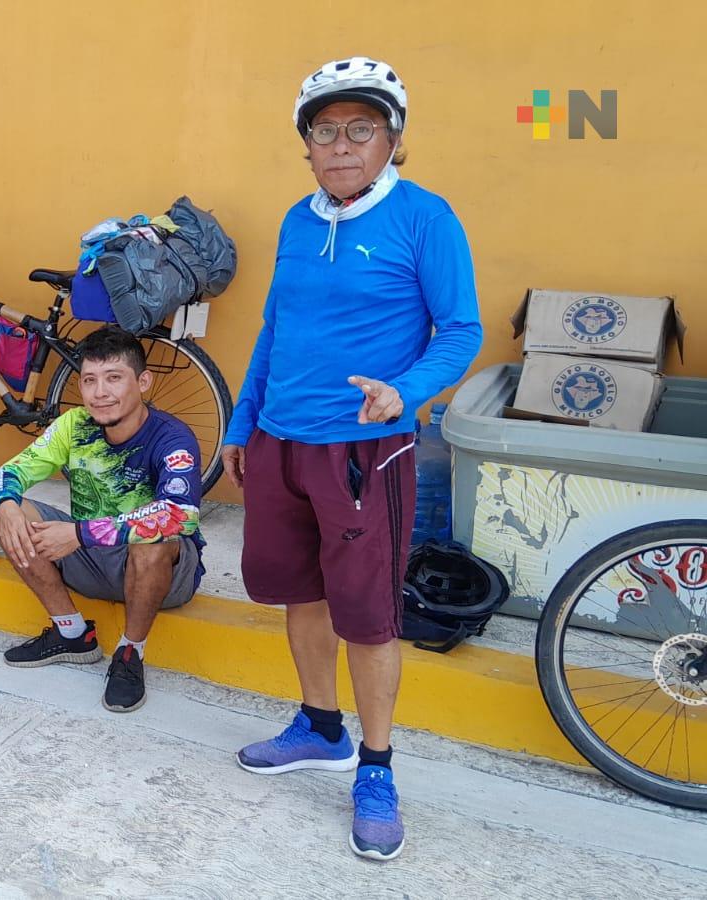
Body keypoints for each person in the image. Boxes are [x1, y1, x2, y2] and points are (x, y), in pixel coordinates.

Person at [219, 56, 483, 861]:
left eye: (360, 129)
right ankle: (319, 726)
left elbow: (462, 331)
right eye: (325, 131)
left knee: (367, 614)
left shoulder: (426, 219)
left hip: (367, 447)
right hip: (281, 443)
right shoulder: (298, 221)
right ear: (307, 147)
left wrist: (403, 392)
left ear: (393, 141)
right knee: (300, 590)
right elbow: (274, 327)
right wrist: (241, 423)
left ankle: (375, 766)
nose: (341, 146)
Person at [0, 326, 204, 714]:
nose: (100, 392)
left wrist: (80, 533)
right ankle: (72, 634)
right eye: (90, 380)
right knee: (11, 515)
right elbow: (11, 471)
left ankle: (129, 655)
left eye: (114, 378)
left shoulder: (173, 437)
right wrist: (5, 503)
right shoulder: (75, 425)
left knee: (155, 538)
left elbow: (180, 514)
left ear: (143, 382)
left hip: (160, 574)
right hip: (90, 559)